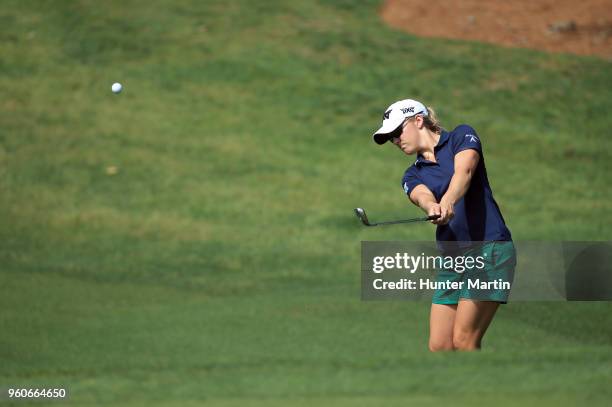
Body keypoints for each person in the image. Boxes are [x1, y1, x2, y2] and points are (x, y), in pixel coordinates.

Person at [372, 99, 516, 351]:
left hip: (489, 249)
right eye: (390, 138)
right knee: (440, 346)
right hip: (452, 259)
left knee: (464, 340)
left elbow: (465, 172)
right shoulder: (412, 174)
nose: (395, 140)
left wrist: (448, 201)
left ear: (418, 120)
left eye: (397, 132)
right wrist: (432, 207)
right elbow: (421, 195)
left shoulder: (462, 136)